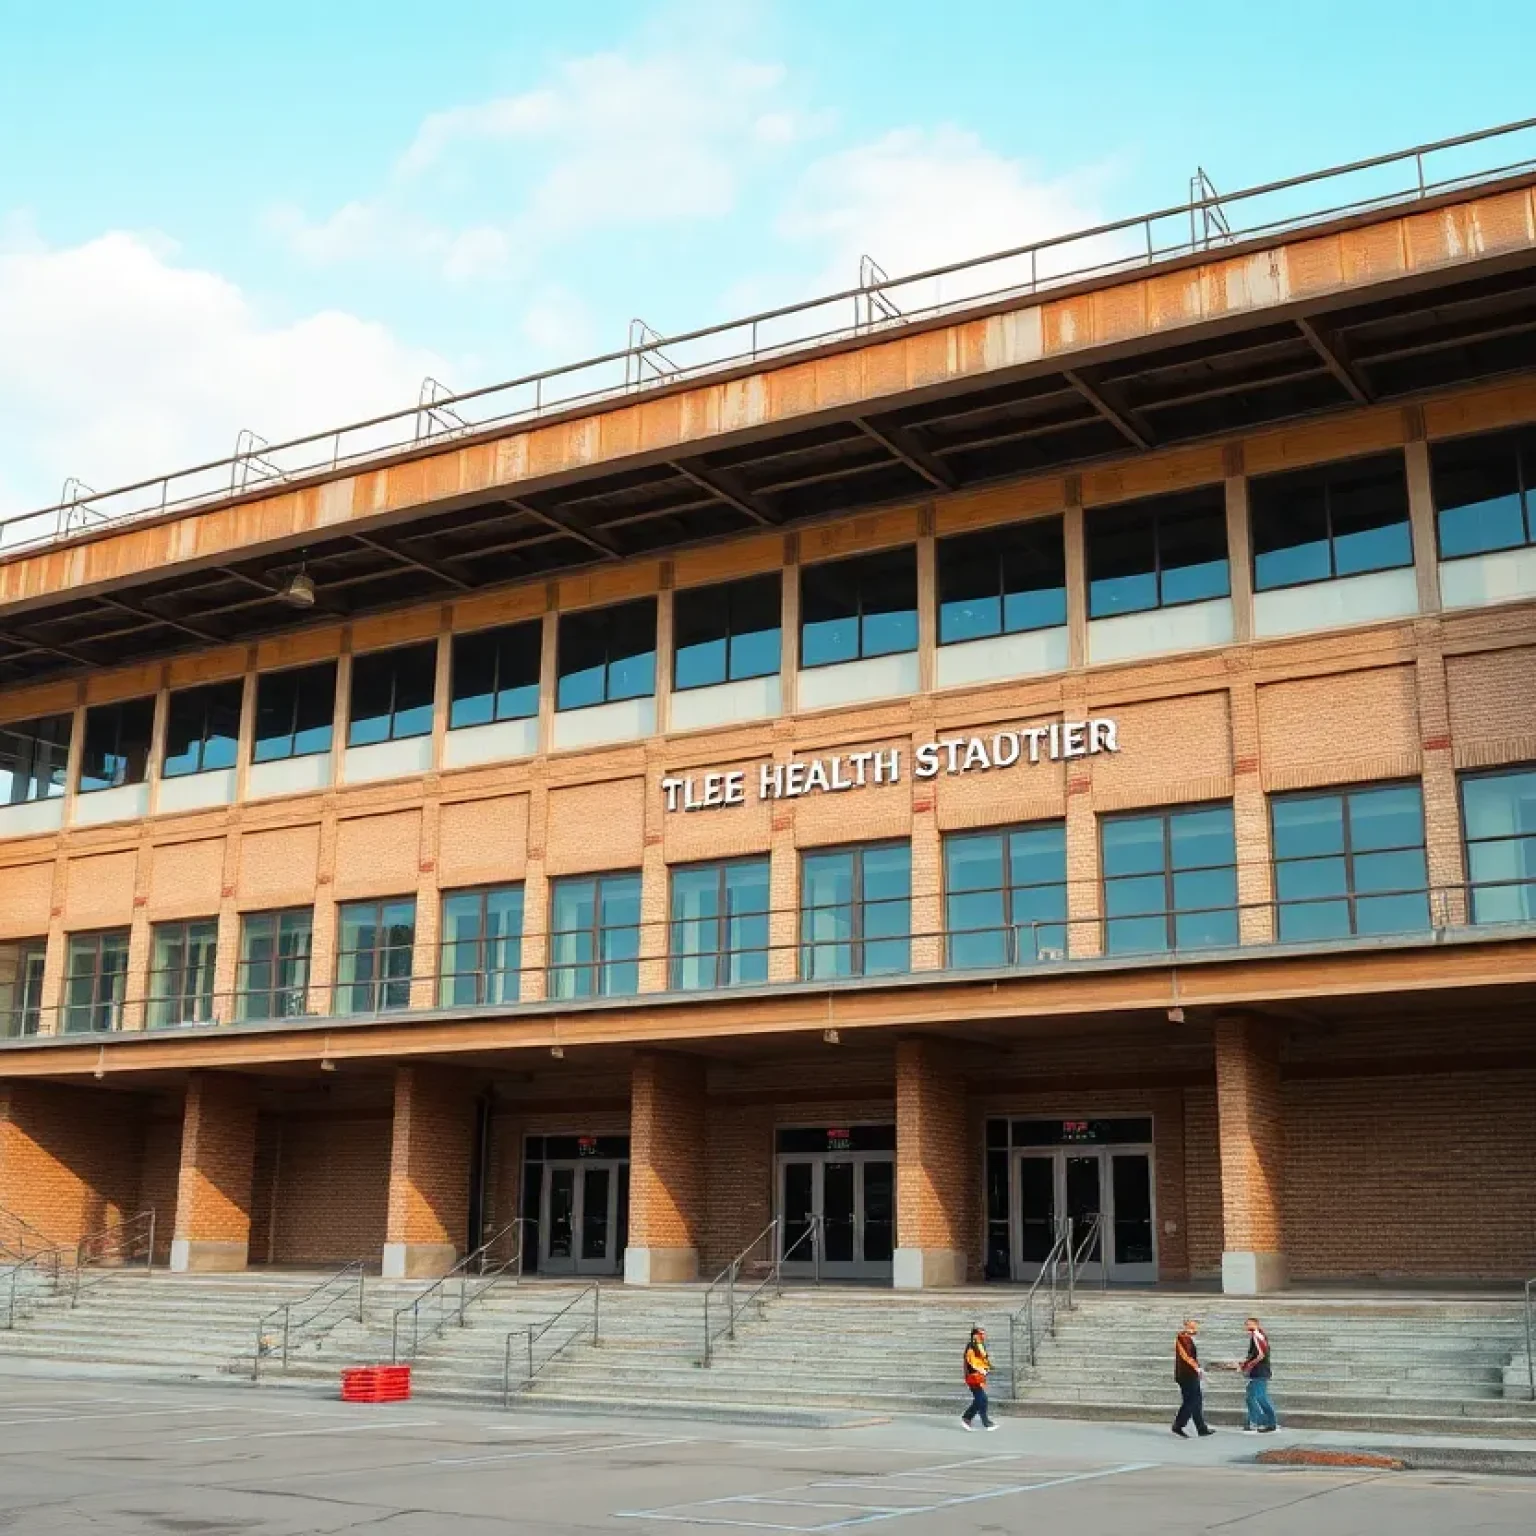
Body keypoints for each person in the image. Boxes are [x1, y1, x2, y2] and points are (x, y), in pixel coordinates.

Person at [1172, 1318, 1214, 1438]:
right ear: (1186, 1326)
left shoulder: (1188, 1338)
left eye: (1195, 1326)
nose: (1195, 1329)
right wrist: (1197, 1368)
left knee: (1196, 1400)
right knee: (1192, 1400)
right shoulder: (1182, 1338)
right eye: (1192, 1326)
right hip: (1186, 1374)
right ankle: (1179, 1424)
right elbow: (1186, 1357)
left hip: (1190, 1373)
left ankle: (1201, 1428)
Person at [1240, 1316, 1278, 1434]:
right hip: (1257, 1371)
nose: (1247, 1326)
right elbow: (1254, 1353)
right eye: (1246, 1324)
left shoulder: (1258, 1336)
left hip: (1260, 1371)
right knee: (1251, 1397)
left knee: (1260, 1397)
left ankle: (1270, 1423)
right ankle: (1254, 1422)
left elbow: (1261, 1355)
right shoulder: (1256, 1336)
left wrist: (1248, 1365)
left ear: (1256, 1324)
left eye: (1249, 1324)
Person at [961, 1326, 997, 1431]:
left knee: (981, 1399)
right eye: (980, 1334)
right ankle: (984, 1421)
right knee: (981, 1399)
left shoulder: (980, 1346)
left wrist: (988, 1367)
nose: (983, 1336)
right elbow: (971, 1362)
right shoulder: (971, 1346)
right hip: (973, 1376)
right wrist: (981, 1369)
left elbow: (983, 1359)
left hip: (979, 1376)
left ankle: (968, 1418)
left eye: (983, 1334)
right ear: (975, 1335)